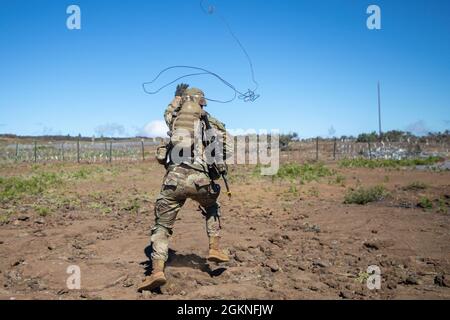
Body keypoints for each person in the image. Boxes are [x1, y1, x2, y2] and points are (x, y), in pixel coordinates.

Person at [138, 84, 230, 292]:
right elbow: (223, 148)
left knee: (162, 227)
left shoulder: (176, 119)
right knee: (212, 207)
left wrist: (175, 98)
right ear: (202, 102)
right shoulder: (211, 123)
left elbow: (167, 112)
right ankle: (214, 248)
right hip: (201, 181)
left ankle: (157, 272)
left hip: (174, 181)